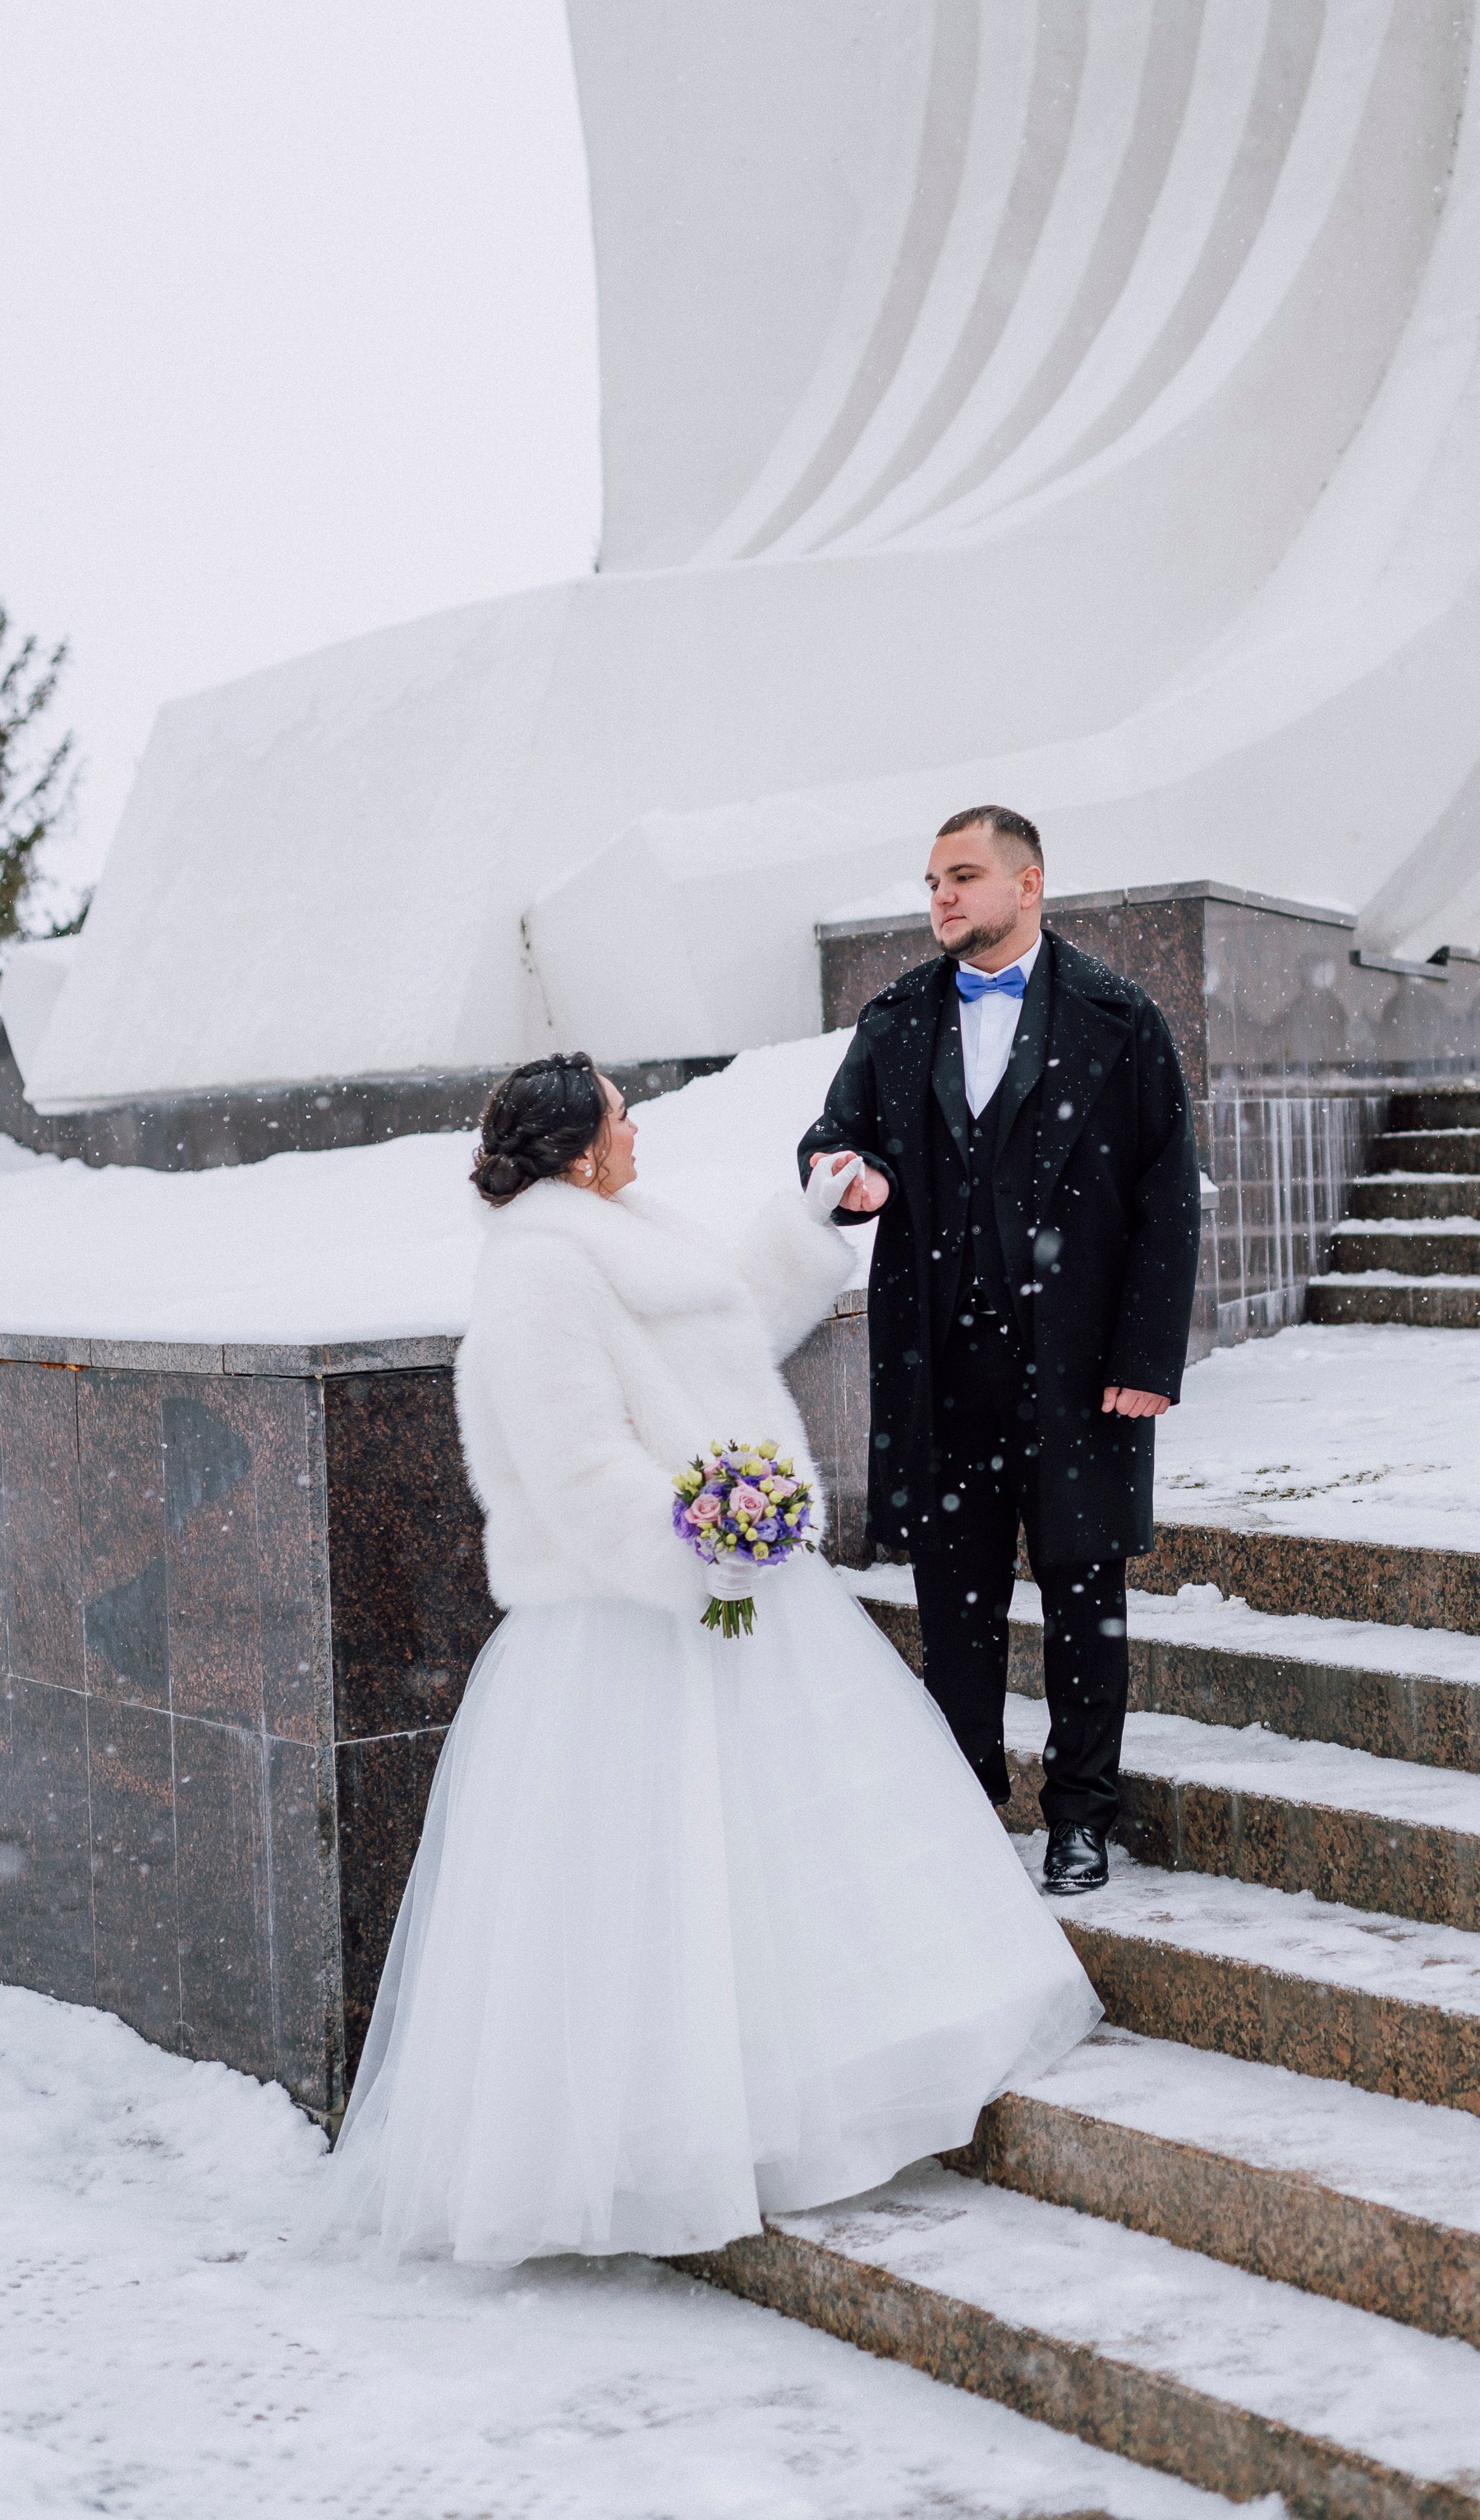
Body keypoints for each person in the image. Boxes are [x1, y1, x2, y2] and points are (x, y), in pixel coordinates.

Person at [326, 1051, 1098, 2268]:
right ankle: (668, 2142)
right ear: (580, 1149)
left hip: (738, 1595)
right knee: (661, 1884)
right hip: (634, 1619)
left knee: (772, 1859)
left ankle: (799, 2094)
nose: (637, 1128)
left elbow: (726, 1330)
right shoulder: (539, 1268)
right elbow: (575, 1464)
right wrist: (699, 1551)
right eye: (621, 1115)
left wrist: (807, 1223)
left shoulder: (624, 1228)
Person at [798, 807, 1202, 1898]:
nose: (941, 897)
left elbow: (1167, 1194)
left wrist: (1146, 1357)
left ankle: (1081, 1817)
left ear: (1029, 885)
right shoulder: (897, 1019)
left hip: (1082, 1369)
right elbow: (830, 1138)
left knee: (1084, 1598)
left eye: (963, 877)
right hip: (941, 1369)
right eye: (933, 881)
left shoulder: (1121, 1017)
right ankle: (966, 1807)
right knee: (955, 1606)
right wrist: (847, 1176)